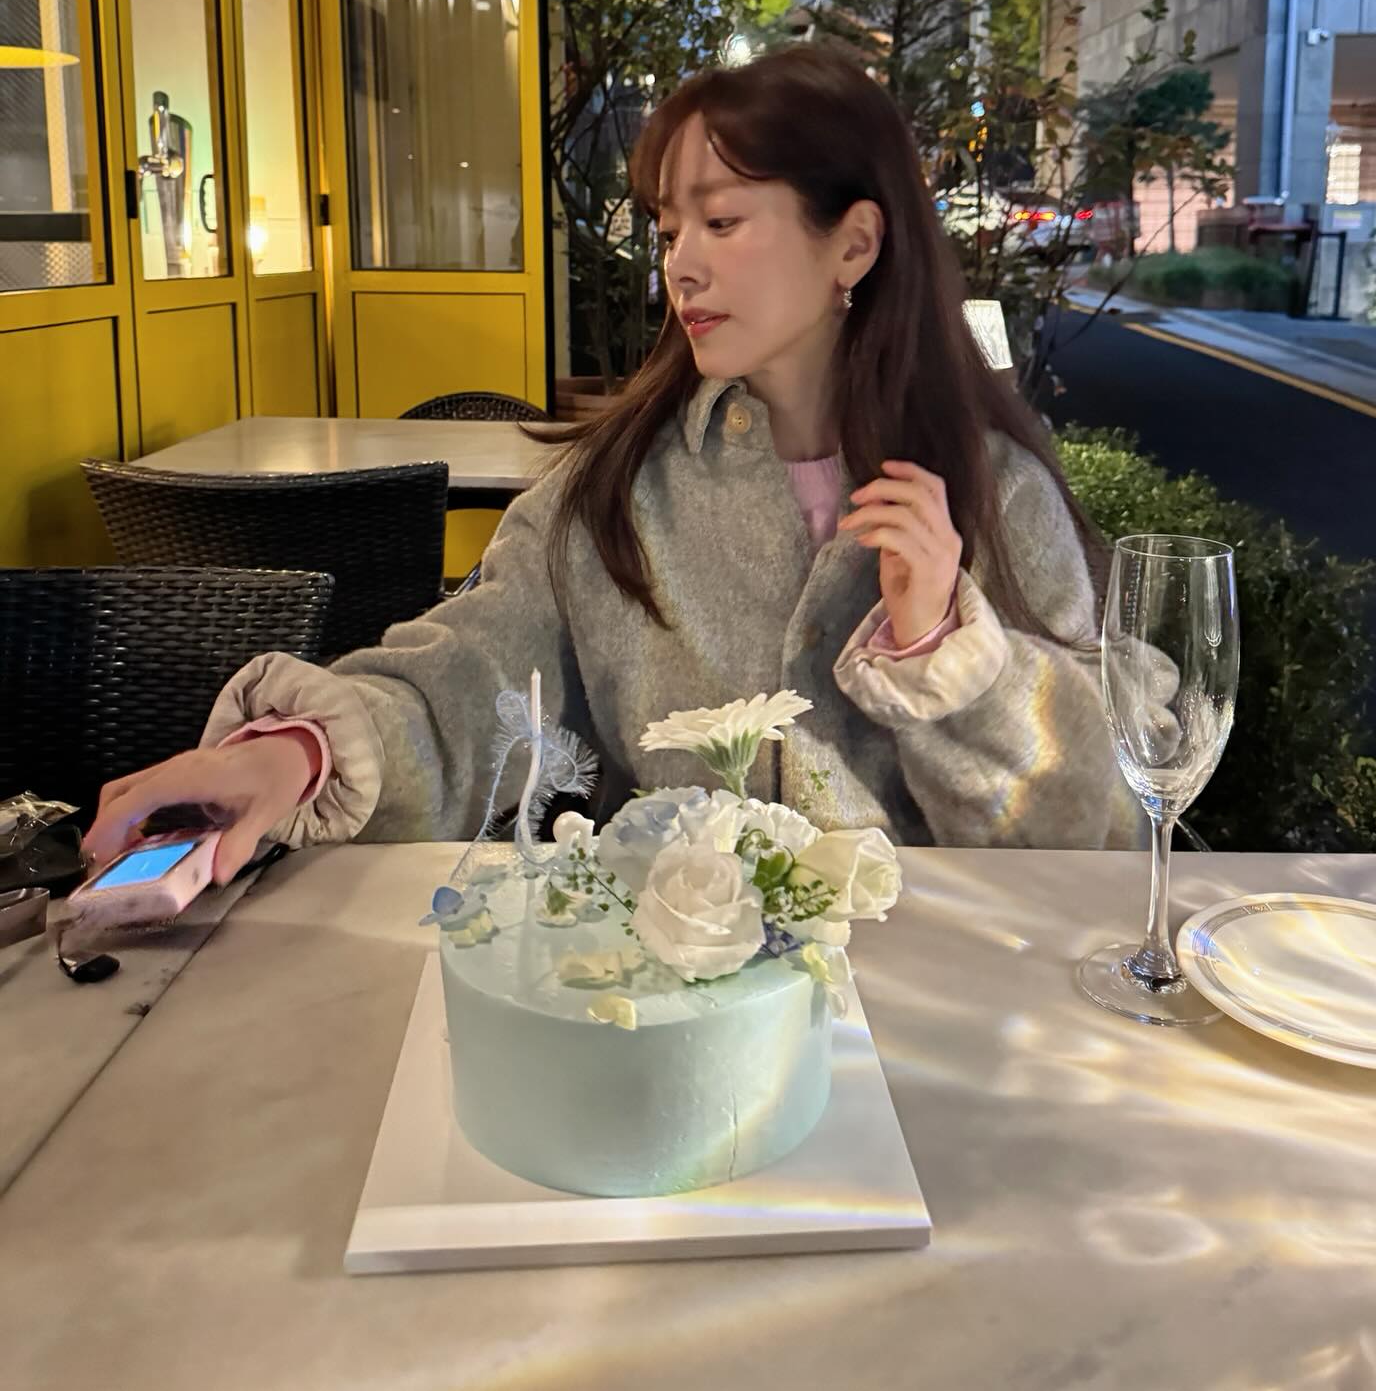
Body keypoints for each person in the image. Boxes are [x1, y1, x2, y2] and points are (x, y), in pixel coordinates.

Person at [85, 45, 1141, 882]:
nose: (681, 264)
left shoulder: (991, 492)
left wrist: (951, 650)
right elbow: (471, 676)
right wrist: (298, 753)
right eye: (669, 228)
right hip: (675, 1010)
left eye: (721, 220)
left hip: (923, 1018)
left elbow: (1090, 835)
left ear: (854, 245)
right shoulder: (619, 493)